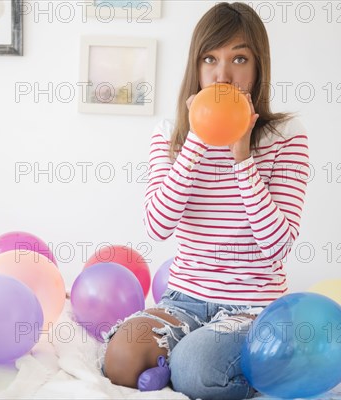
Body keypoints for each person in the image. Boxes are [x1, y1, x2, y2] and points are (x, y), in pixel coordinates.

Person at [102, 2, 310, 400]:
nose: (223, 74)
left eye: (239, 58)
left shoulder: (286, 135)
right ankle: (181, 360)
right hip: (184, 298)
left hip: (252, 306)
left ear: (258, 67)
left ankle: (217, 365)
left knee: (196, 372)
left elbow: (277, 248)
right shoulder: (170, 134)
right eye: (210, 58)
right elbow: (157, 225)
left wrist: (242, 157)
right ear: (195, 66)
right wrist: (197, 139)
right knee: (122, 357)